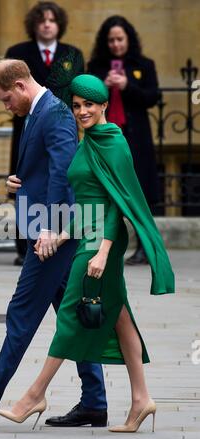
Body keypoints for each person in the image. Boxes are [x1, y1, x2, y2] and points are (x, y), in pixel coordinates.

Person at [0, 75, 175, 433]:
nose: (81, 111)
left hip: (100, 245)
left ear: (105, 105)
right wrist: (60, 234)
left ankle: (34, 394)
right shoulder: (88, 141)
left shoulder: (113, 143)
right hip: (86, 236)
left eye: (89, 105)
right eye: (76, 105)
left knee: (70, 316)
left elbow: (115, 204)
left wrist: (104, 252)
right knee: (121, 320)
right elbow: (84, 202)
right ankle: (142, 400)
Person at [0, 60, 108, 428]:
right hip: (46, 229)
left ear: (18, 85)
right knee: (74, 315)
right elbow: (47, 168)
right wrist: (21, 182)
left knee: (21, 312)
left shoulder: (56, 113)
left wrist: (50, 229)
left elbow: (64, 175)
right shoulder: (38, 111)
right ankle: (95, 401)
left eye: (4, 99)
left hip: (52, 236)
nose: (5, 107)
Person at [6, 1, 84, 266]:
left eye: (52, 20)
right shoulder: (18, 52)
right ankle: (25, 243)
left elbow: (78, 92)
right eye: (42, 20)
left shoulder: (72, 54)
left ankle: (54, 235)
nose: (47, 24)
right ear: (34, 25)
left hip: (61, 126)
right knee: (26, 180)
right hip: (27, 128)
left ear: (59, 24)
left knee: (57, 176)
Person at [88, 16, 160, 265]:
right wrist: (103, 87)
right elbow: (86, 100)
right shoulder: (96, 66)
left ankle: (144, 248)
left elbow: (153, 96)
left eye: (120, 39)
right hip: (106, 139)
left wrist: (128, 85)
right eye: (111, 40)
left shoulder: (144, 64)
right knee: (105, 192)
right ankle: (102, 247)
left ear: (128, 39)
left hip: (135, 138)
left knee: (139, 193)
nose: (116, 44)